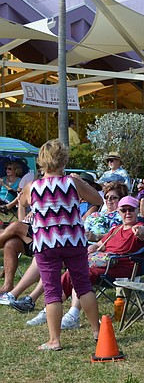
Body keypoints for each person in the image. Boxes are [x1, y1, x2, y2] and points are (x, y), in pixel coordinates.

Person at [20, 139, 103, 350]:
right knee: (83, 285)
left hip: (46, 243)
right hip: (73, 240)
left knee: (52, 292)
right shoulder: (72, 183)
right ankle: (96, 331)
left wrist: (29, 224)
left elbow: (22, 204)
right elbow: (98, 200)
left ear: (41, 162)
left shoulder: (32, 187)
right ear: (63, 160)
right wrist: (79, 184)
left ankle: (54, 340)